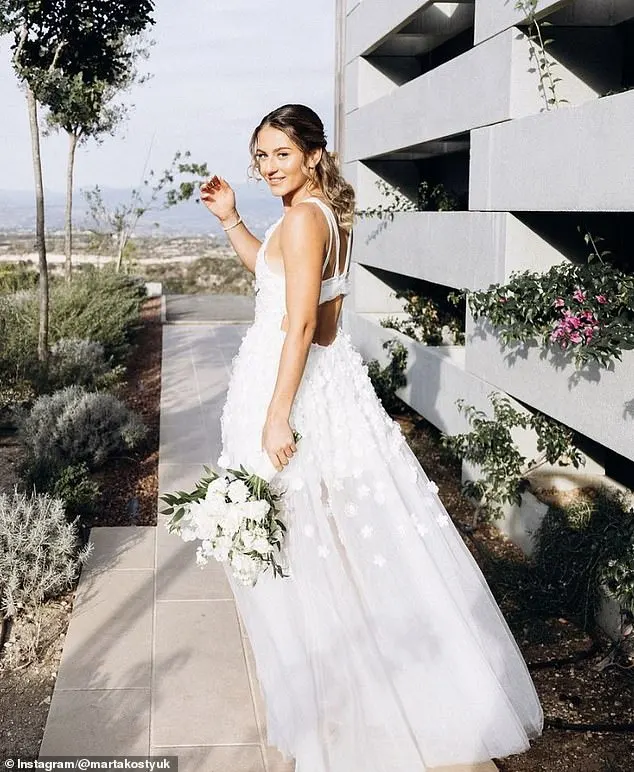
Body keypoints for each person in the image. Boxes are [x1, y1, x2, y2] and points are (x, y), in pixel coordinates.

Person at [200, 104, 543, 772]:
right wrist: (232, 222)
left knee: (302, 545)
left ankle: (339, 698)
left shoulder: (304, 218)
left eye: (281, 154)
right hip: (318, 384)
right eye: (261, 156)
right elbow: (276, 286)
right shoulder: (321, 213)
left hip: (292, 390)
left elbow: (299, 327)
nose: (270, 167)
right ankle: (351, 684)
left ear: (312, 154)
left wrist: (277, 414)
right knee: (322, 538)